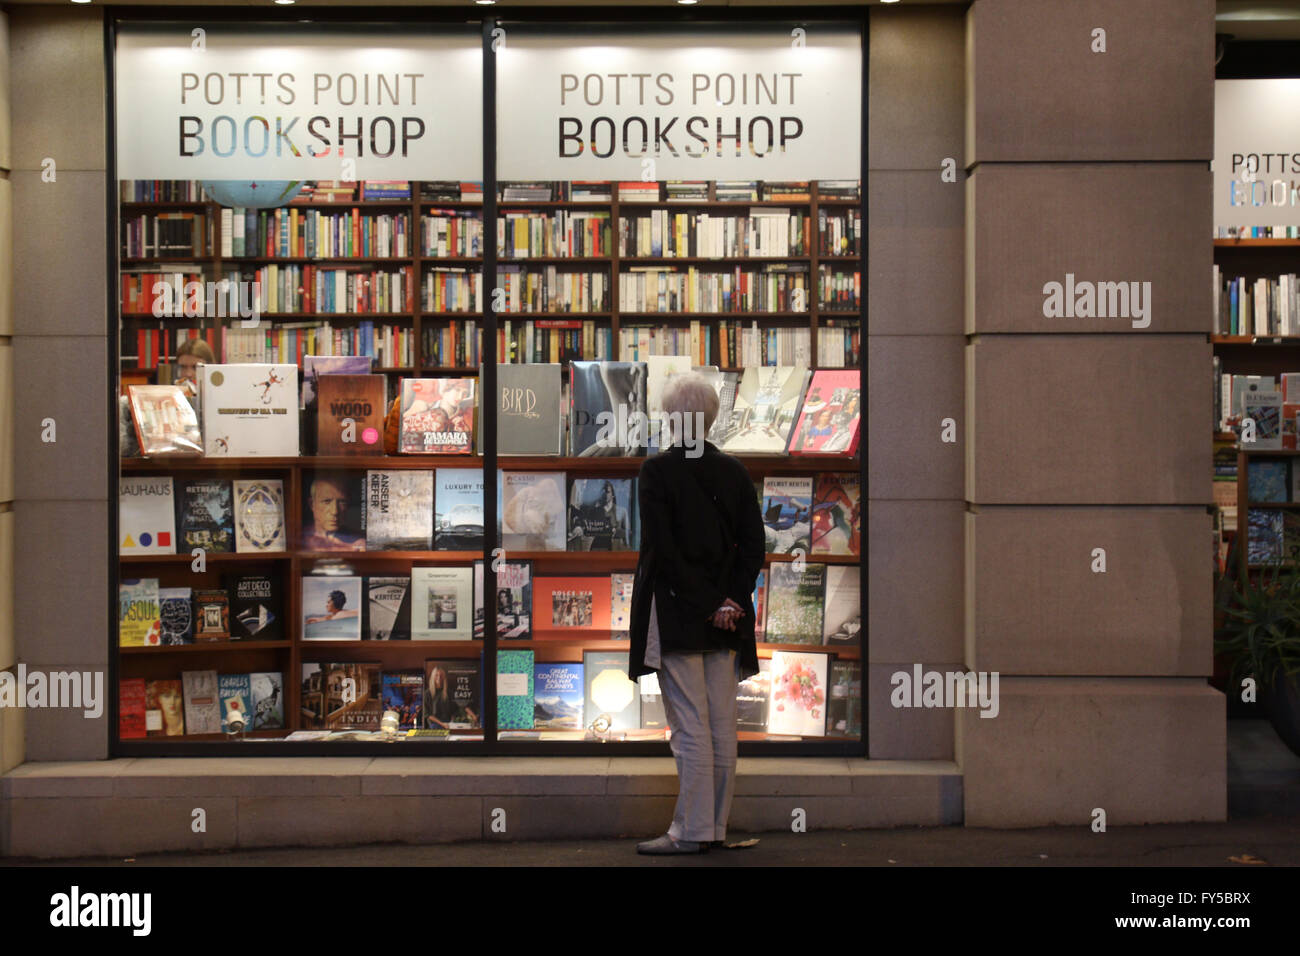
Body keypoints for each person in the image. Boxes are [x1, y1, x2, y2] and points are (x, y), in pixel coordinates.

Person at [628, 373, 765, 855]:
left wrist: (706, 604)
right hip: (727, 620)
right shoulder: (734, 471)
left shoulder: (657, 472)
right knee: (722, 727)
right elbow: (753, 546)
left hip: (679, 614)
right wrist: (729, 601)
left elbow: (663, 551)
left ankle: (691, 832)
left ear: (669, 417)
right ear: (711, 417)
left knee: (690, 727)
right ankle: (715, 828)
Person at [302, 475, 365, 551]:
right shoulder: (300, 536)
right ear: (312, 504)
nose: (335, 511)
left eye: (342, 502)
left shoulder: (358, 542)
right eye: (327, 501)